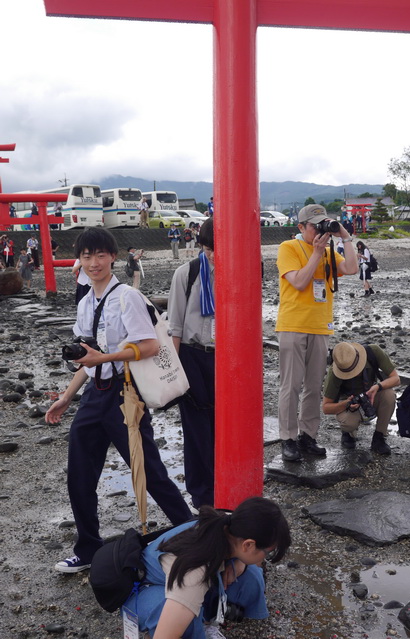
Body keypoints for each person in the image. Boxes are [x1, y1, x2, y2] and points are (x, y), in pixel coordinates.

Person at [45, 227, 191, 574]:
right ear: (79, 260)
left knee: (149, 472)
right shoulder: (85, 303)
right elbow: (87, 357)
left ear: (112, 257)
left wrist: (104, 359)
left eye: (100, 255)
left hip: (126, 395)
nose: (94, 263)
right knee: (79, 475)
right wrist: (67, 396)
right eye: (87, 256)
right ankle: (88, 548)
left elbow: (149, 346)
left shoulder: (126, 297)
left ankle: (191, 534)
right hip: (94, 396)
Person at [122, 496, 291, 639]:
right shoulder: (194, 569)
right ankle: (195, 622)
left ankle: (206, 617)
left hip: (187, 579)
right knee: (184, 619)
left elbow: (248, 556)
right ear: (248, 544)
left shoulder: (231, 522)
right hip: (143, 590)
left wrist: (241, 562)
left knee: (252, 576)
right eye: (267, 553)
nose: (265, 558)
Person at [275, 204, 358, 462]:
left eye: (324, 224)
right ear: (301, 227)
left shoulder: (329, 251)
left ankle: (307, 436)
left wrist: (345, 236)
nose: (320, 230)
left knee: (313, 386)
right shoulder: (288, 248)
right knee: (291, 386)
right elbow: (299, 282)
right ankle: (287, 438)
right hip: (292, 325)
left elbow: (352, 269)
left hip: (320, 327)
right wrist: (316, 252)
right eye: (315, 226)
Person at [168, 218, 215, 508]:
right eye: (209, 248)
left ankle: (226, 483)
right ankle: (202, 494)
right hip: (193, 353)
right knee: (197, 427)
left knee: (225, 424)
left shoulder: (239, 270)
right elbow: (174, 328)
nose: (213, 255)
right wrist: (173, 373)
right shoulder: (187, 273)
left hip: (228, 356)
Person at [322, 342, 400, 455]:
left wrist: (378, 387)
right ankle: (348, 433)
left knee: (389, 395)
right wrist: (347, 403)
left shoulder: (373, 352)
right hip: (350, 404)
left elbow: (396, 379)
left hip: (372, 393)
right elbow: (326, 408)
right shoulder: (334, 372)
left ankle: (379, 437)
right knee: (348, 423)